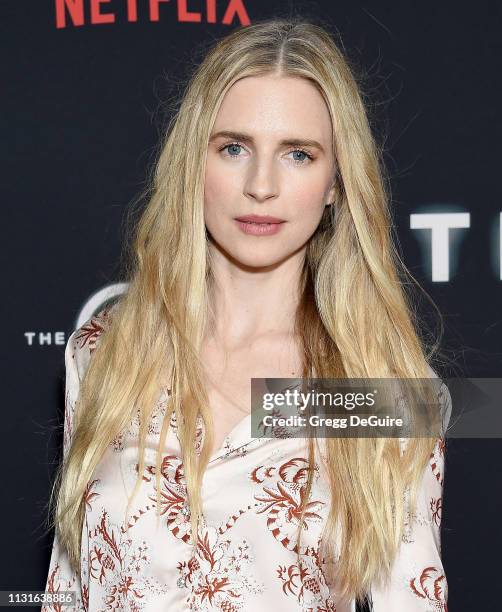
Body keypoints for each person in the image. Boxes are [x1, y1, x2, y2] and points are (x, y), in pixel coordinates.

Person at [42, 17, 451, 611]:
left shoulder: (381, 390)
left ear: (336, 180)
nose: (261, 185)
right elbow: (69, 587)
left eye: (298, 154)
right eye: (233, 148)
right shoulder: (105, 350)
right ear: (194, 163)